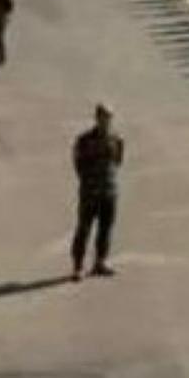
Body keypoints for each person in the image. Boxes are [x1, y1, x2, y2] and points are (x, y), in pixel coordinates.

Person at [70, 104, 124, 281]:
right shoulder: (84, 140)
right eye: (103, 118)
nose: (106, 121)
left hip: (109, 191)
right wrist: (89, 180)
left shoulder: (116, 139)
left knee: (105, 229)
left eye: (109, 118)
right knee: (84, 229)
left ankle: (100, 262)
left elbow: (117, 162)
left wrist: (108, 182)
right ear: (97, 118)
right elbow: (78, 164)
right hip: (90, 193)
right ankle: (77, 267)